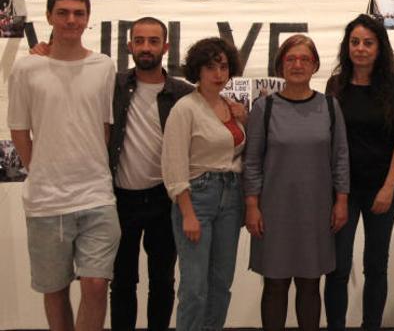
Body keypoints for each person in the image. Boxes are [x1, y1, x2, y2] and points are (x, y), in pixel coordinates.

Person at [8, 0, 119, 331]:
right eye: (63, 13)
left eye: (79, 14)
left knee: (97, 285)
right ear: (49, 17)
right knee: (54, 290)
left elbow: (104, 126)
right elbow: (19, 130)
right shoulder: (27, 69)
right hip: (46, 201)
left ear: (87, 19)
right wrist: (39, 170)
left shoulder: (103, 66)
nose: (72, 20)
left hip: (97, 196)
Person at [243, 34, 349, 331]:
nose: (297, 64)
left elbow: (340, 157)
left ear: (315, 65)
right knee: (274, 284)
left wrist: (341, 200)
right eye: (290, 59)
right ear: (280, 66)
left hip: (315, 210)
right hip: (274, 211)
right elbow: (251, 161)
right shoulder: (264, 109)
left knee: (309, 284)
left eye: (304, 59)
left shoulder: (330, 107)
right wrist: (252, 205)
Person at [324, 15, 394, 331]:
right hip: (342, 191)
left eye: (368, 43)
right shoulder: (336, 86)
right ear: (347, 47)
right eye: (355, 42)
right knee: (338, 268)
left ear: (379, 47)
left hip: (381, 189)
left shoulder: (393, 86)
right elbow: (330, 142)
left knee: (376, 266)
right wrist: (337, 195)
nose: (360, 48)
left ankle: (371, 325)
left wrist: (389, 187)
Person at [108, 18, 193, 331]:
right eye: (139, 40)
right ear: (129, 46)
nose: (146, 47)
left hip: (164, 199)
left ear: (165, 47)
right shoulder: (112, 85)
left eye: (153, 41)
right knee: (122, 282)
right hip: (119, 198)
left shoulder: (183, 93)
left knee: (162, 281)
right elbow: (71, 71)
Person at [161, 37, 246, 331]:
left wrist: (244, 119)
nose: (218, 74)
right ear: (198, 70)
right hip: (197, 198)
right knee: (195, 287)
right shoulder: (185, 108)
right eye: (210, 67)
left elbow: (238, 153)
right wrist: (187, 213)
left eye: (223, 66)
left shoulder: (232, 107)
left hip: (231, 196)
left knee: (221, 283)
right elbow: (173, 165)